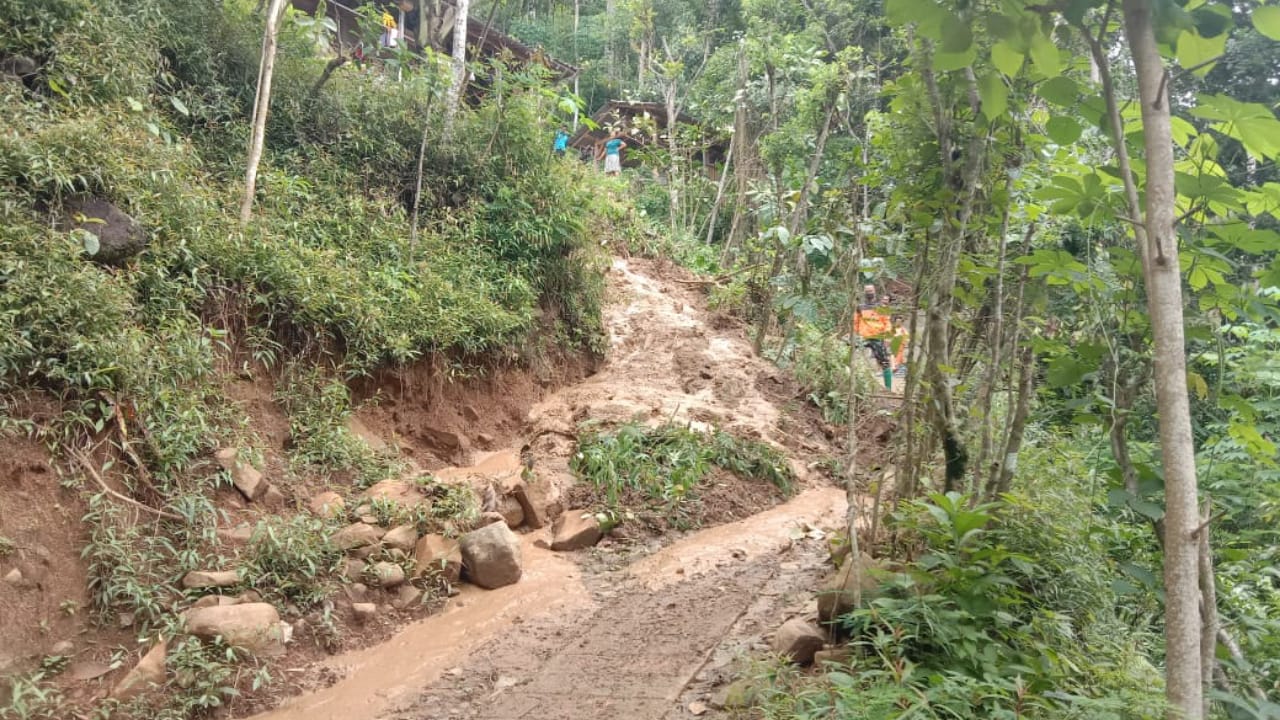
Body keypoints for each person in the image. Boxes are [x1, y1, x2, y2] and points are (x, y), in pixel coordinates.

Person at [853, 284, 894, 390]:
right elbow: (855, 322)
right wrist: (856, 333)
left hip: (877, 337)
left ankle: (888, 388)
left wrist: (887, 336)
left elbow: (887, 323)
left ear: (875, 291)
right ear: (864, 292)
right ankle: (856, 386)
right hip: (863, 337)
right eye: (867, 291)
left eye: (871, 290)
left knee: (885, 362)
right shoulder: (860, 307)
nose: (869, 292)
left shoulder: (882, 307)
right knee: (854, 359)